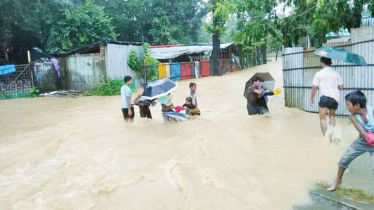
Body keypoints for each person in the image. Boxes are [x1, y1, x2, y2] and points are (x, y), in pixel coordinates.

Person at [328, 91, 374, 191]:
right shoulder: (352, 116)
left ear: (357, 105)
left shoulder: (372, 111)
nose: (346, 107)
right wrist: (369, 137)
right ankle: (338, 181)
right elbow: (361, 132)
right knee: (344, 159)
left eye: (348, 104)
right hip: (362, 142)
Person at [311, 57, 344, 136]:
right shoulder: (336, 74)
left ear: (322, 63)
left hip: (324, 98)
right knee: (332, 117)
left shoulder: (318, 74)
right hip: (335, 98)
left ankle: (326, 138)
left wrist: (311, 98)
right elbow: (341, 87)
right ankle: (332, 135)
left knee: (322, 119)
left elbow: (314, 88)